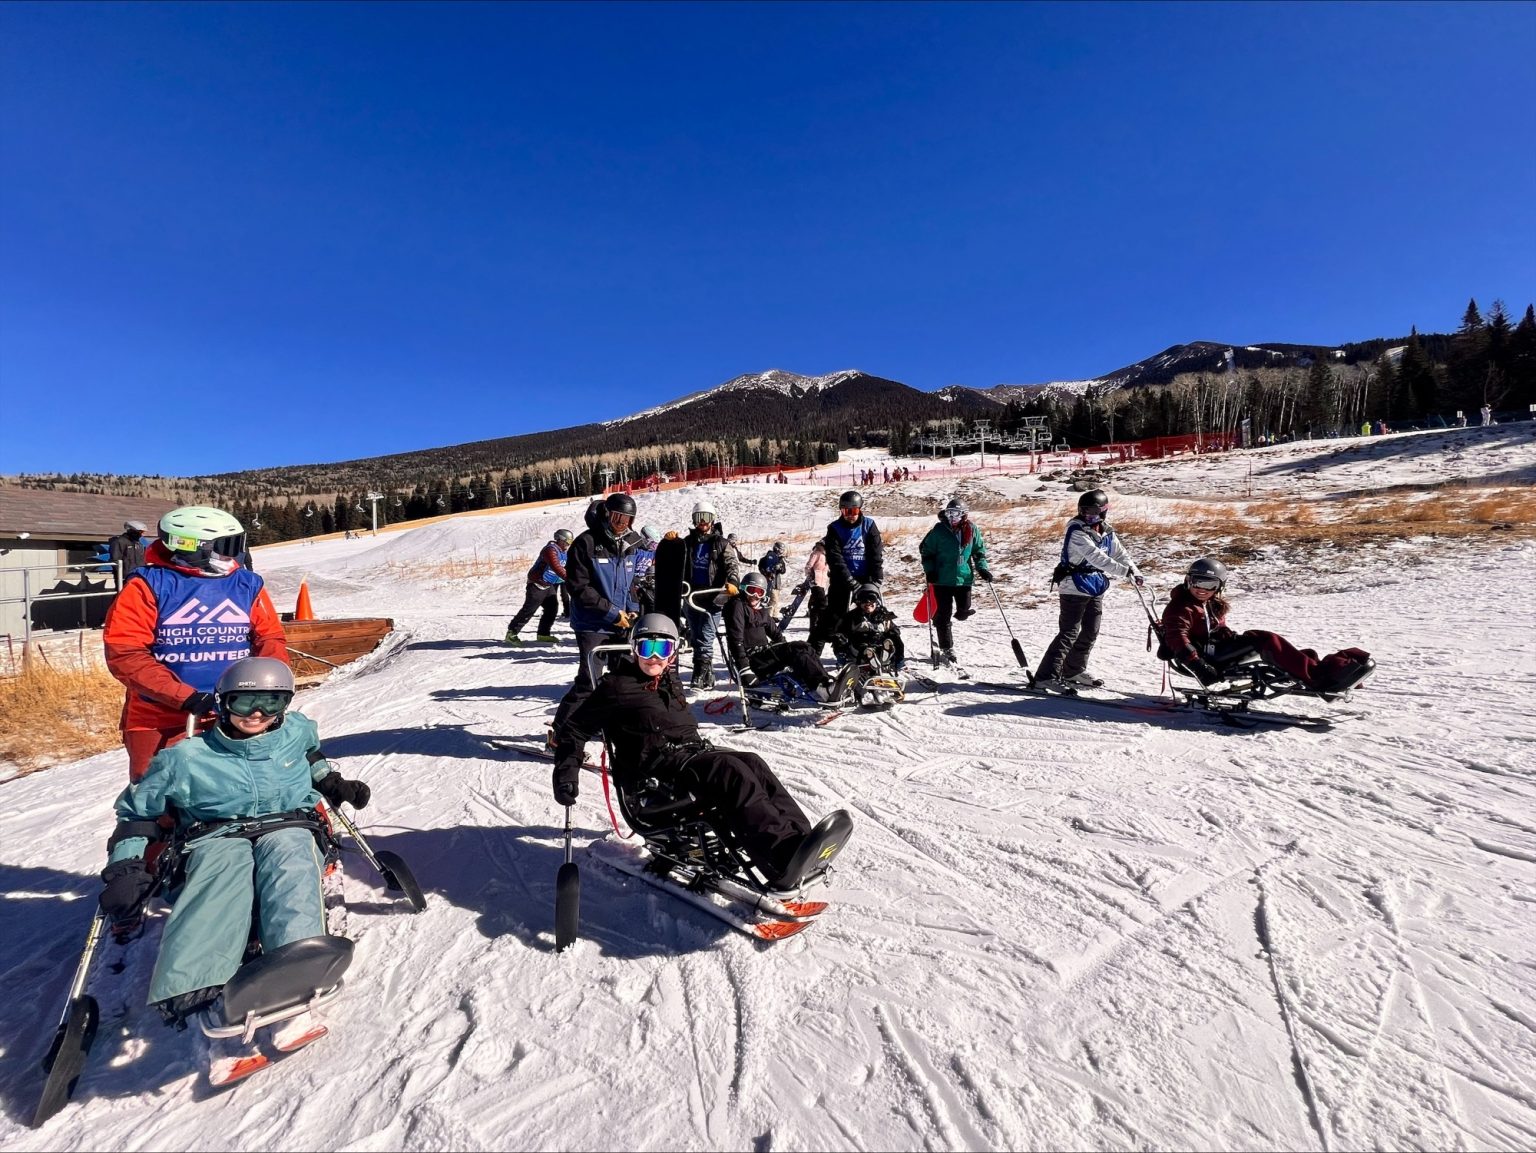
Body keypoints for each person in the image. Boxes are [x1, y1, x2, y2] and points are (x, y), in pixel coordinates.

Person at [96, 657, 371, 1028]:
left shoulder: (295, 731)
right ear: (223, 702)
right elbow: (138, 813)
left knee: (290, 857)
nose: (257, 713)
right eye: (244, 702)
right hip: (216, 835)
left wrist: (332, 783)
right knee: (223, 869)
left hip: (287, 823)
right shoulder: (185, 759)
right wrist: (125, 867)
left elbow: (310, 757)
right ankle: (197, 984)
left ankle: (297, 959)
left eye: (271, 702)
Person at [552, 614, 840, 889]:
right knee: (729, 772)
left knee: (751, 761)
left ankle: (801, 843)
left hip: (687, 758)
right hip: (655, 779)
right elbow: (573, 730)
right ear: (634, 649)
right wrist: (566, 775)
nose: (655, 657)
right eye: (647, 647)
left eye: (663, 648)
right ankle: (781, 859)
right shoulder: (615, 687)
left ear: (673, 653)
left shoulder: (669, 680)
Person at [103, 506, 289, 781]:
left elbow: (269, 638)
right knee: (159, 793)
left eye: (237, 545)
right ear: (193, 546)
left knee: (248, 787)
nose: (233, 555)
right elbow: (126, 653)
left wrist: (270, 689)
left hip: (239, 710)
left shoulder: (246, 585)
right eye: (227, 546)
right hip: (162, 717)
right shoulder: (147, 586)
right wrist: (184, 696)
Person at [1158, 558, 1373, 692]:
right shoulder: (1181, 607)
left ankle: (1320, 669)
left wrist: (1225, 634)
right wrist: (1199, 666)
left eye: (1209, 584)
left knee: (1266, 641)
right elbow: (1178, 638)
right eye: (1197, 582)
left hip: (1214, 648)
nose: (1202, 589)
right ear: (1188, 581)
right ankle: (1318, 678)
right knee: (1266, 641)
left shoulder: (1205, 603)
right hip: (1205, 658)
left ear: (1219, 587)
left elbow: (1211, 628)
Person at [553, 493, 643, 738]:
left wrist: (633, 608)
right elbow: (579, 587)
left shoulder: (631, 543)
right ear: (606, 515)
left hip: (621, 622)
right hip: (592, 623)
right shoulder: (587, 543)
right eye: (617, 517)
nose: (621, 523)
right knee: (589, 681)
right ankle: (560, 736)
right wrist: (612, 613)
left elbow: (631, 582)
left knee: (623, 679)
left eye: (627, 518)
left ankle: (613, 725)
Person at [1036, 490, 1139, 692]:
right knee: (1069, 632)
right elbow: (1096, 557)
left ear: (1103, 511)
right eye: (1084, 511)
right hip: (1073, 585)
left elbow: (1121, 554)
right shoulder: (1077, 531)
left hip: (1094, 585)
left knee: (1091, 631)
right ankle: (1045, 677)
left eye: (1093, 511)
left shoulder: (1106, 531)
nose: (1088, 515)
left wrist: (1135, 572)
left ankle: (1073, 670)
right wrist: (1124, 572)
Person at [723, 572, 836, 700]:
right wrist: (745, 669)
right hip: (753, 661)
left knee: (805, 647)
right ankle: (823, 689)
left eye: (759, 592)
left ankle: (826, 684)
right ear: (743, 589)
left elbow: (776, 634)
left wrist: (785, 650)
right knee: (796, 650)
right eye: (751, 591)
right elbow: (735, 640)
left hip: (764, 655)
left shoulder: (760, 610)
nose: (755, 596)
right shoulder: (737, 606)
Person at [919, 499, 992, 667]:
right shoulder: (939, 530)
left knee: (964, 609)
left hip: (963, 578)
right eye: (949, 513)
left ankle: (961, 612)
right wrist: (930, 570)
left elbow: (978, 552)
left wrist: (982, 569)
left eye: (956, 514)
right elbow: (926, 551)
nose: (952, 518)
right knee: (943, 615)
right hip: (942, 579)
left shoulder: (972, 530)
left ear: (964, 515)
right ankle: (947, 648)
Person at [680, 501, 741, 691]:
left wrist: (733, 582)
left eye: (706, 518)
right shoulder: (688, 542)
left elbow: (732, 565)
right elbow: (675, 560)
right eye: (699, 518)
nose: (703, 522)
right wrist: (671, 544)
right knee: (695, 636)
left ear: (713, 520)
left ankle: (699, 674)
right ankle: (708, 675)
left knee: (706, 638)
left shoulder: (721, 543)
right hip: (692, 596)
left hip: (713, 597)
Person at [821, 491, 883, 653]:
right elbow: (835, 558)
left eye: (854, 511)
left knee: (870, 612)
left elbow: (876, 554)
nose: (850, 515)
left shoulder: (869, 525)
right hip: (842, 579)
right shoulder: (835, 528)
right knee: (834, 617)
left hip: (865, 577)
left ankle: (872, 648)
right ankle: (819, 651)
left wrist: (877, 578)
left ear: (860, 509)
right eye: (846, 511)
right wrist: (849, 580)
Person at [505, 528, 573, 644]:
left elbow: (566, 567)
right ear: (560, 540)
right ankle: (511, 633)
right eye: (567, 542)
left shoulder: (563, 552)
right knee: (529, 610)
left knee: (552, 608)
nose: (568, 544)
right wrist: (570, 579)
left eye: (570, 542)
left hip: (548, 584)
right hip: (537, 584)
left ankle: (543, 634)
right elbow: (556, 567)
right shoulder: (550, 550)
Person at [830, 583, 906, 679]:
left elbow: (894, 631)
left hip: (880, 643)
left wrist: (894, 633)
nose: (868, 603)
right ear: (859, 602)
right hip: (859, 647)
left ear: (877, 601)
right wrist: (841, 650)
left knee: (893, 638)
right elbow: (839, 634)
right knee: (863, 646)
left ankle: (884, 656)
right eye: (864, 600)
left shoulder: (884, 616)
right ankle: (872, 657)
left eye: (871, 599)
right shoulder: (851, 617)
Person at [758, 541, 788, 617]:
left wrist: (780, 567)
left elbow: (783, 571)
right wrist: (773, 568)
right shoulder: (769, 557)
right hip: (771, 582)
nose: (782, 551)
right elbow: (765, 569)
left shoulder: (780, 559)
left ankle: (775, 616)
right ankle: (769, 616)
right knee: (773, 600)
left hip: (777, 583)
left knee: (776, 601)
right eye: (781, 549)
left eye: (783, 550)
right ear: (776, 548)